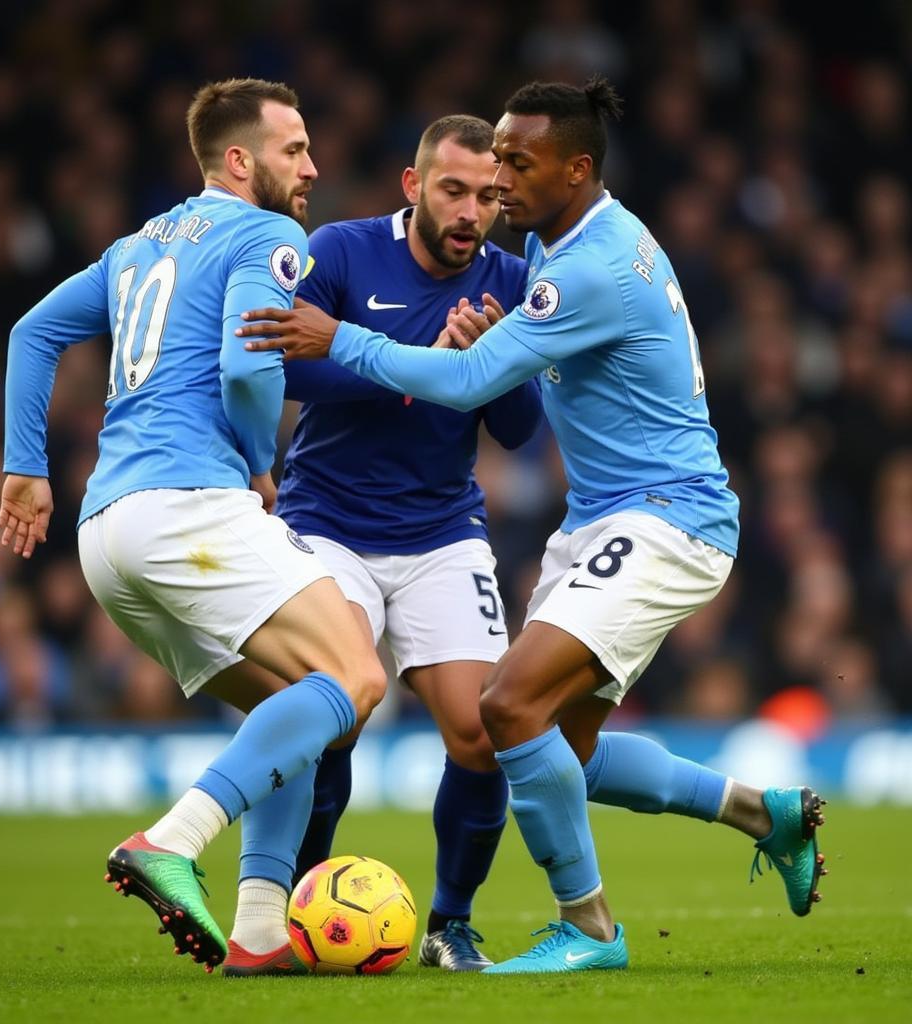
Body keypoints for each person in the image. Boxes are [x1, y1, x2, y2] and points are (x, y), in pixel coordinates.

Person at [236, 77, 828, 973]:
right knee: (552, 753)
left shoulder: (577, 269)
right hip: (571, 520)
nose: (497, 187)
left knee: (504, 711)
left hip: (662, 515)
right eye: (477, 174)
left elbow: (488, 402)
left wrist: (353, 341)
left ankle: (584, 930)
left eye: (515, 165)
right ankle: (763, 812)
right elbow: (285, 362)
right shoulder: (543, 246)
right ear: (412, 185)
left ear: (576, 169)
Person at [0, 78, 386, 973]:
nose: (313, 167)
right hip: (188, 506)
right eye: (295, 149)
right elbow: (250, 361)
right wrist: (259, 462)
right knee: (356, 672)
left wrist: (26, 466)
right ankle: (172, 839)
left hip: (106, 533)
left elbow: (31, 332)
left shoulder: (137, 246)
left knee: (299, 712)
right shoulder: (266, 234)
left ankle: (255, 934)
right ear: (240, 159)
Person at [222, 115, 542, 976]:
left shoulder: (515, 281)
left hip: (443, 530)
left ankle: (450, 923)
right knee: (334, 717)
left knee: (482, 734)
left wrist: (490, 363)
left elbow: (517, 430)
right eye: (454, 191)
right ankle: (291, 906)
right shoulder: (344, 251)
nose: (473, 210)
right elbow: (285, 364)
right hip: (327, 521)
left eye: (488, 195)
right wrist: (414, 356)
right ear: (414, 186)